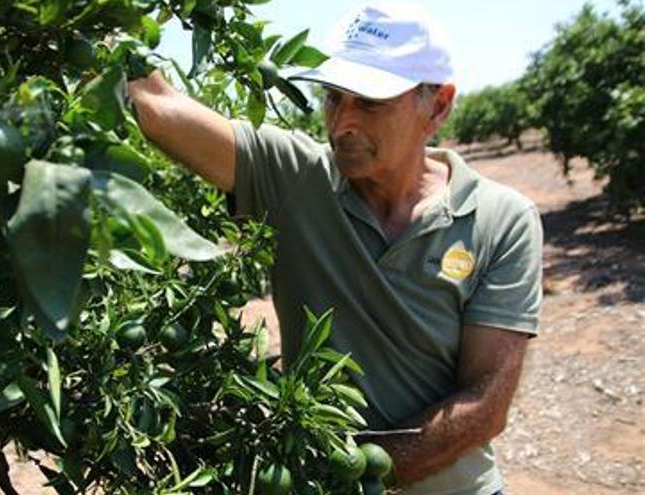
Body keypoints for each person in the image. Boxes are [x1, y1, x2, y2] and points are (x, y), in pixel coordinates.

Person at [128, 2, 543, 494]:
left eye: (369, 102)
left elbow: (485, 404)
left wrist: (353, 471)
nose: (342, 122)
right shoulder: (291, 178)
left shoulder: (501, 219)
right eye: (332, 98)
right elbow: (158, 110)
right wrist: (100, 21)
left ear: (438, 105)